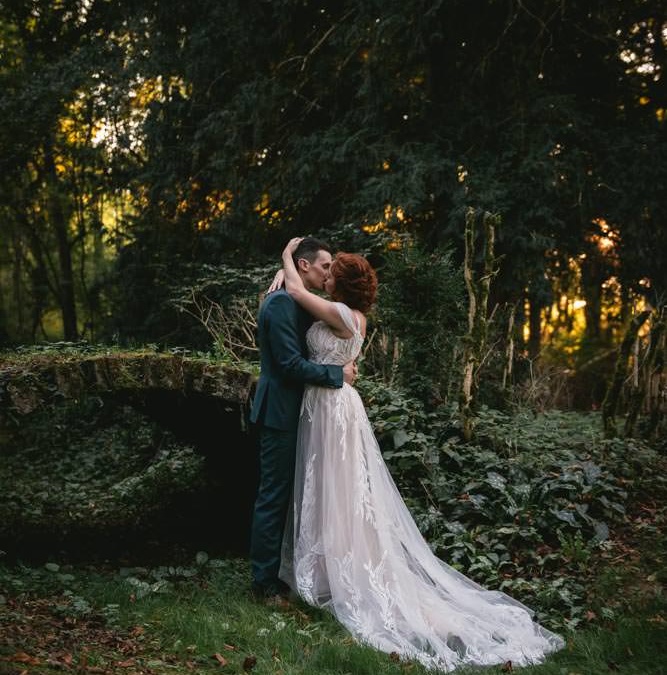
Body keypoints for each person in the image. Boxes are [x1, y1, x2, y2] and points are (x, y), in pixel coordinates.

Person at [275, 237, 566, 672]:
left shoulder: (340, 315)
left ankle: (338, 572)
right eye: (327, 267)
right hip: (331, 404)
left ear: (345, 284)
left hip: (333, 408)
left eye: (333, 270)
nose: (328, 272)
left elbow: (298, 294)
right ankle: (326, 568)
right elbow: (305, 300)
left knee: (337, 487)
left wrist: (286, 258)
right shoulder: (354, 317)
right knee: (334, 488)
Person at [248, 236, 357, 600]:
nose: (329, 273)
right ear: (305, 266)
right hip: (280, 412)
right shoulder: (279, 304)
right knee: (274, 495)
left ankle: (296, 570)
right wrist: (336, 376)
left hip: (308, 414)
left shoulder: (305, 300)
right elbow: (288, 365)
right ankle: (263, 582)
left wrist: (285, 268)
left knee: (304, 495)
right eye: (325, 266)